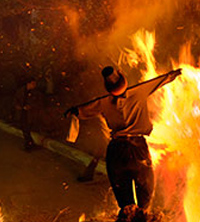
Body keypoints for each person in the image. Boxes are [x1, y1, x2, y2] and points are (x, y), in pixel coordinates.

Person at [65, 66, 181, 212]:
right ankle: (140, 218)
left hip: (116, 150)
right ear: (123, 81)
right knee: (145, 191)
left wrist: (74, 111)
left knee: (123, 192)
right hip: (137, 148)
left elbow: (82, 110)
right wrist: (173, 75)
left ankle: (128, 218)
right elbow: (159, 82)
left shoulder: (104, 102)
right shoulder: (139, 92)